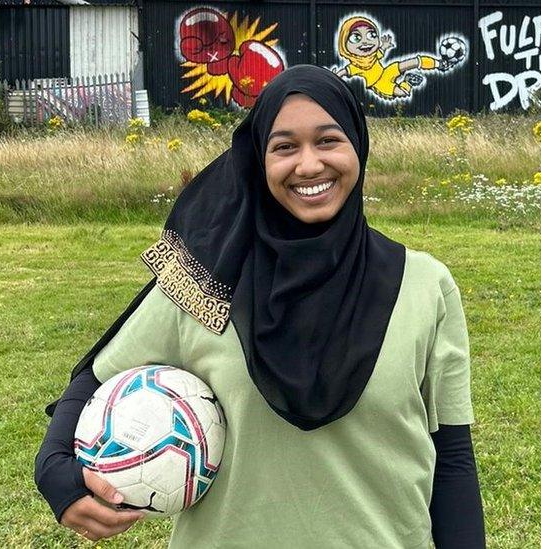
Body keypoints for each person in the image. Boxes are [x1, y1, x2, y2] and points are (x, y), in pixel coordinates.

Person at [34, 64, 485, 548]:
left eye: (329, 140)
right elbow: (95, 378)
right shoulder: (207, 281)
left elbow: (452, 455)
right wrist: (54, 470)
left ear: (358, 144)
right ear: (258, 159)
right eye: (284, 147)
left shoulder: (424, 285)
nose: (309, 165)